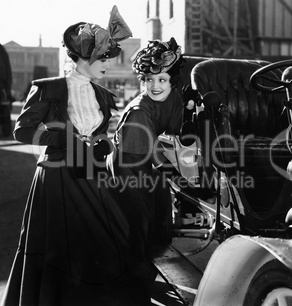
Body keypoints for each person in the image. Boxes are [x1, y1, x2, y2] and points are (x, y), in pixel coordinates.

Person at [0, 6, 147, 306]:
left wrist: (104, 144)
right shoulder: (48, 89)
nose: (109, 63)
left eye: (110, 56)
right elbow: (22, 131)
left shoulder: (104, 96)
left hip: (90, 175)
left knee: (105, 243)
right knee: (57, 250)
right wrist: (66, 139)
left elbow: (100, 134)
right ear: (83, 58)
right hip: (56, 177)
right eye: (104, 57)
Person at [106, 37, 186, 302]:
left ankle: (141, 271)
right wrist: (176, 171)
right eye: (148, 80)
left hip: (147, 158)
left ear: (171, 81)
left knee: (158, 217)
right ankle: (134, 281)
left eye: (161, 79)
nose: (154, 86)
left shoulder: (174, 98)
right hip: (130, 160)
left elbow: (174, 135)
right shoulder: (140, 111)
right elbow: (151, 155)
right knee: (138, 219)